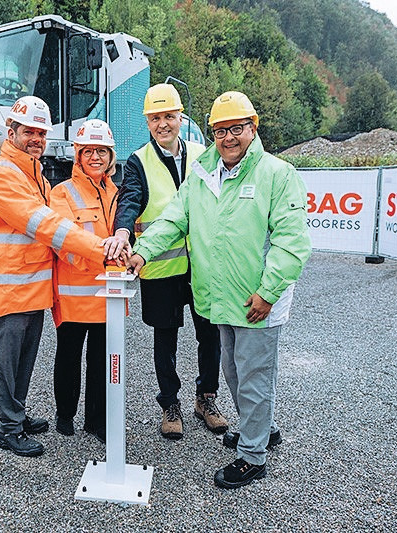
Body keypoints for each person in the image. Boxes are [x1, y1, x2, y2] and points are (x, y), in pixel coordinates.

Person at [128, 91, 311, 488]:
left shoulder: (276, 175)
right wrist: (141, 251)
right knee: (233, 372)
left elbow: (291, 242)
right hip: (220, 299)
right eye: (221, 130)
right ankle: (262, 429)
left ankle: (252, 456)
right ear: (211, 133)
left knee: (254, 377)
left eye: (237, 129)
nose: (229, 138)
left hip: (256, 302)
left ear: (253, 127)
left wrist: (268, 292)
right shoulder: (203, 173)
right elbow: (174, 218)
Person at [0, 96, 112, 458]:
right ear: (12, 132)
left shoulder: (30, 172)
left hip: (29, 287)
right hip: (8, 289)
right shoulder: (6, 175)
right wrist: (100, 251)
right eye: (29, 131)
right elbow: (47, 225)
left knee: (23, 360)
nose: (35, 138)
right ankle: (8, 429)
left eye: (40, 133)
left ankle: (16, 415)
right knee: (6, 362)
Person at [105, 83, 225, 440]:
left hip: (203, 264)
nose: (163, 124)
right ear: (147, 122)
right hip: (159, 266)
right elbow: (130, 201)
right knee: (165, 338)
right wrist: (123, 233)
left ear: (180, 117)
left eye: (169, 116)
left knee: (210, 334)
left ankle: (206, 398)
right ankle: (169, 403)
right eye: (155, 118)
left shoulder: (205, 154)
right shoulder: (139, 160)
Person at [49, 119, 120, 444]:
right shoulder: (61, 193)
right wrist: (105, 256)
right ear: (78, 155)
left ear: (110, 156)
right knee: (68, 356)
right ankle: (65, 415)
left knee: (102, 362)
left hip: (109, 295)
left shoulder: (116, 193)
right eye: (88, 151)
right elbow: (64, 242)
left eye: (101, 152)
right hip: (75, 293)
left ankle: (97, 420)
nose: (95, 157)